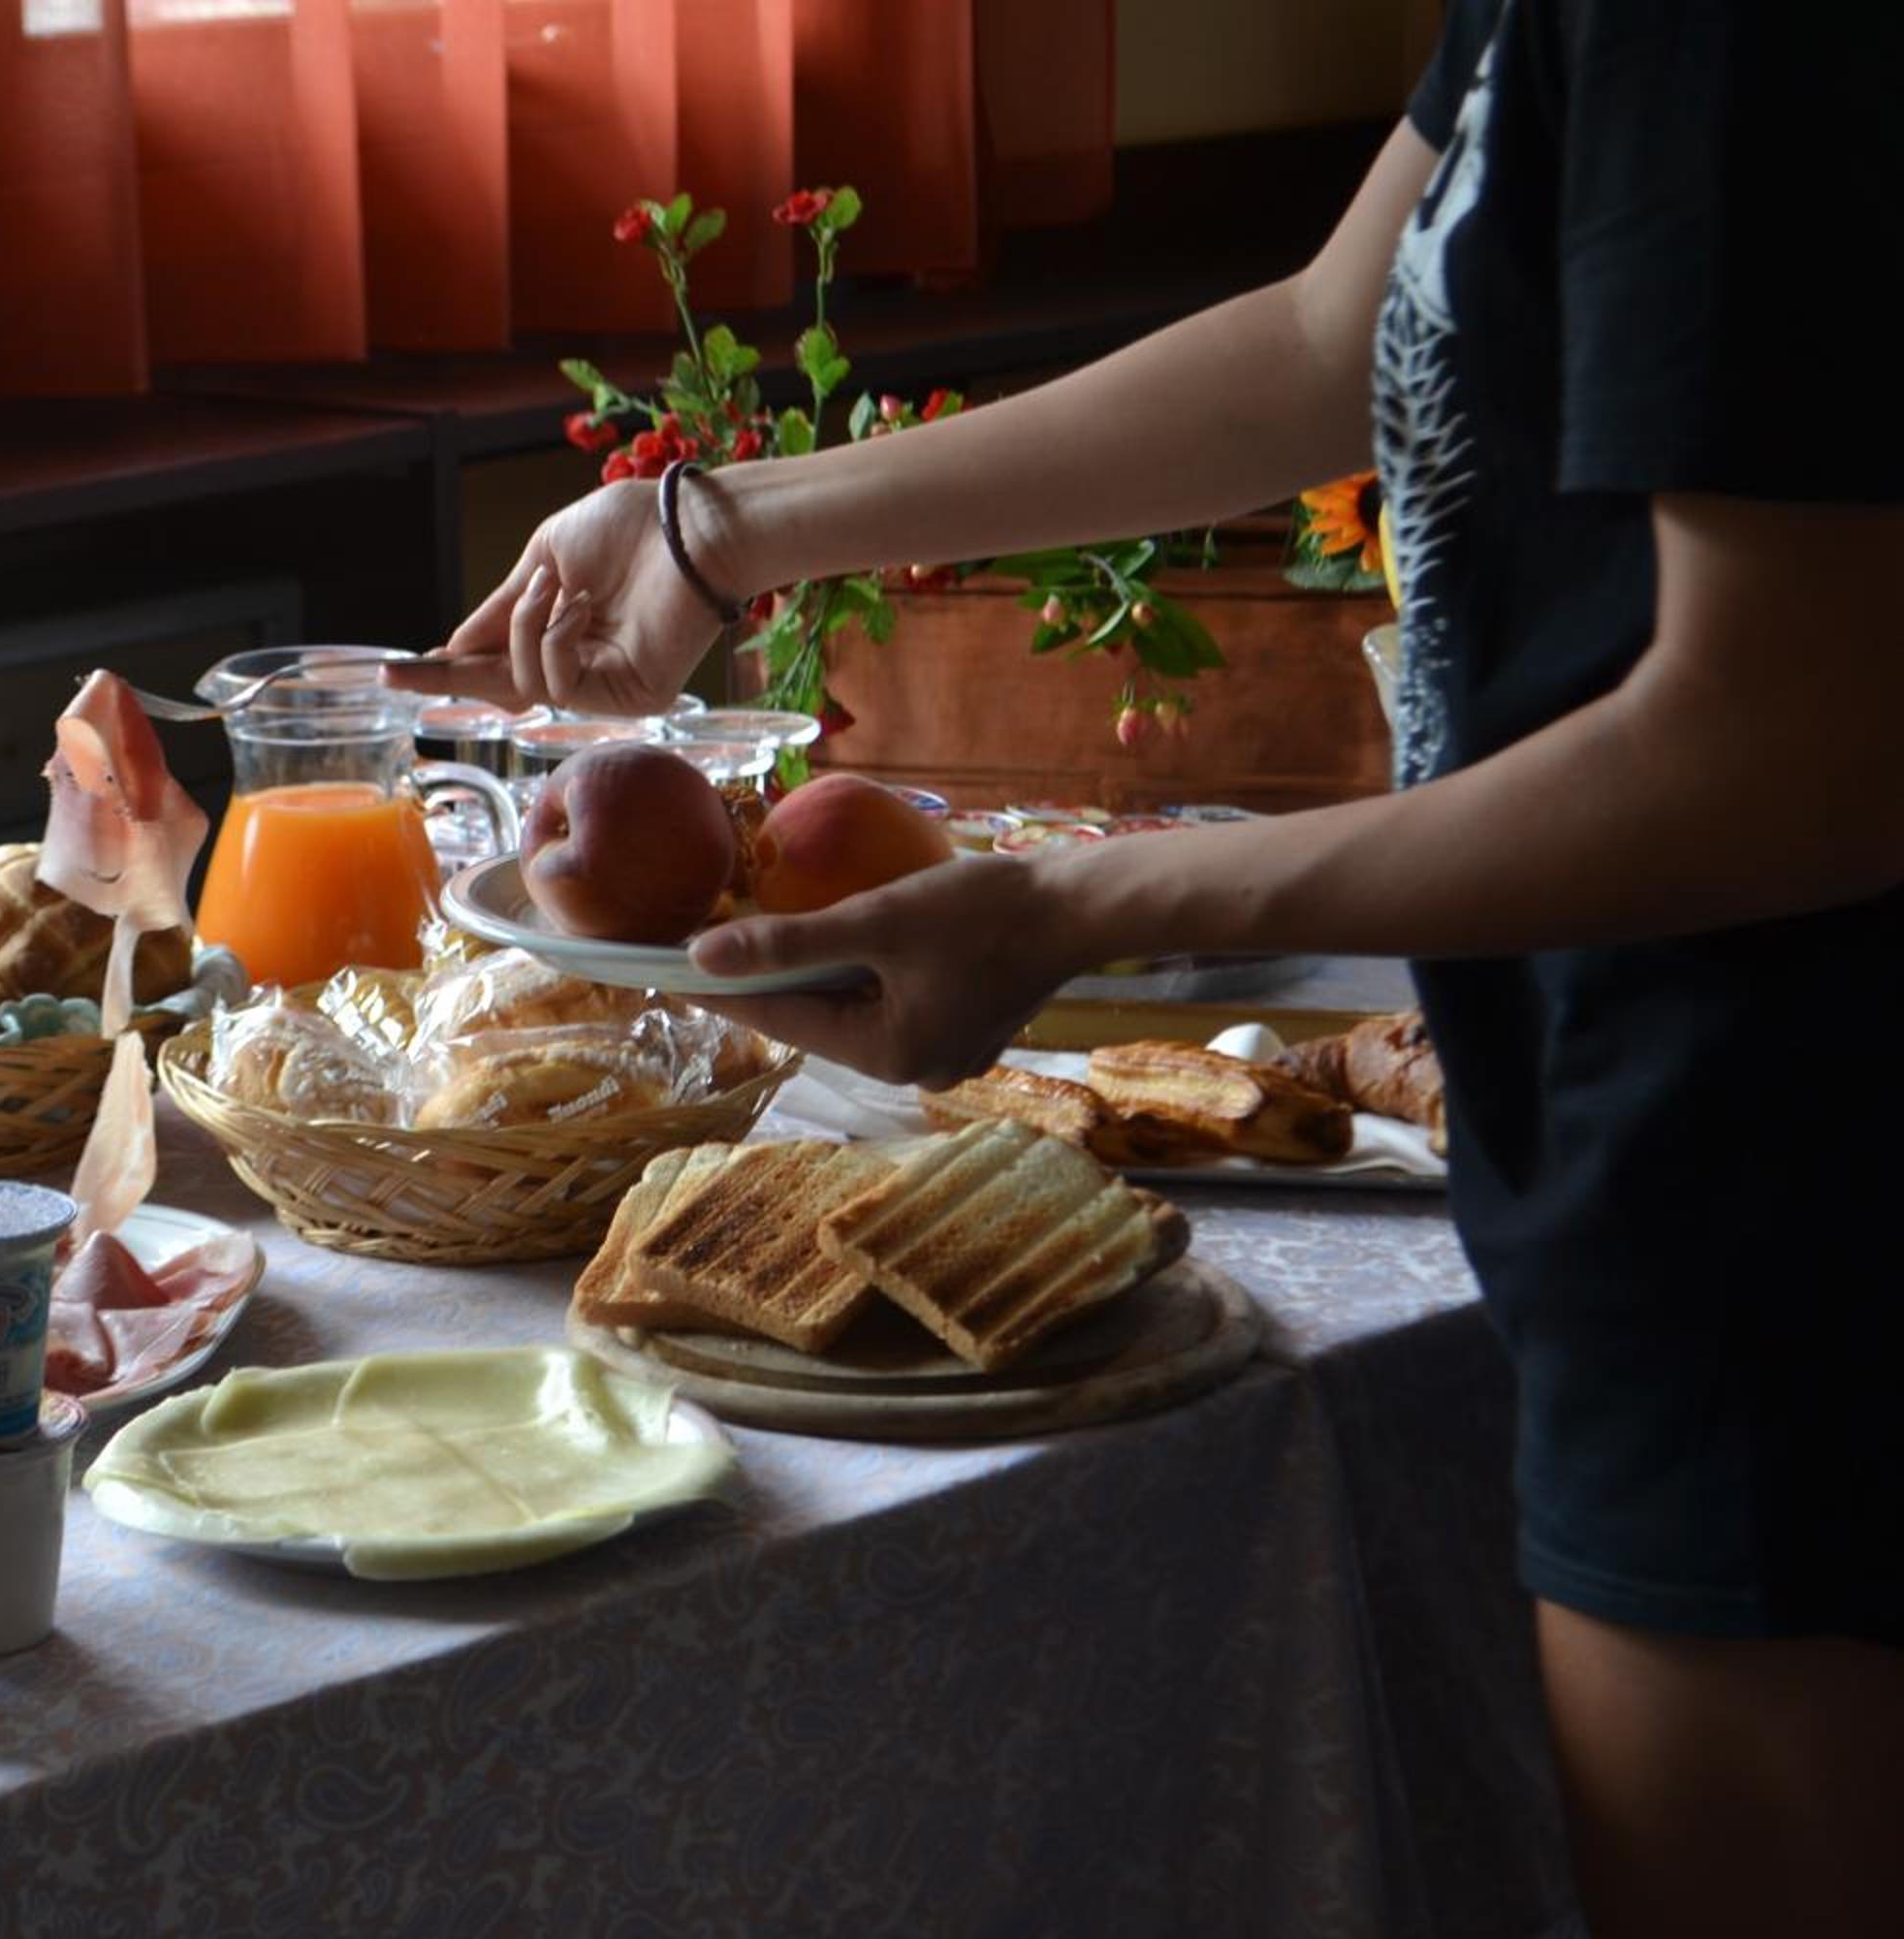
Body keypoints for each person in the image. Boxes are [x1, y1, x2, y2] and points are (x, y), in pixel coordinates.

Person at [396, 5, 1904, 1933]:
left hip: (1787, 1207)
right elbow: (1328, 339)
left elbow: (1796, 745)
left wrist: (1066, 914)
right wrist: (720, 530)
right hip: (1669, 1169)